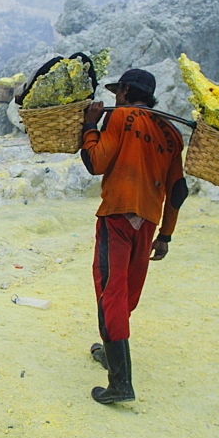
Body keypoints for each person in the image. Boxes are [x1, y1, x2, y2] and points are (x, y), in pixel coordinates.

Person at [80, 68, 188, 404]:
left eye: (117, 93)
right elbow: (178, 190)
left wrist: (90, 126)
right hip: (149, 220)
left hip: (117, 214)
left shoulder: (121, 117)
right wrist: (166, 235)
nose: (115, 98)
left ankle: (121, 383)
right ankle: (111, 354)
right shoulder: (171, 134)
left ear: (126, 90)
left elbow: (95, 161)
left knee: (110, 292)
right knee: (125, 294)